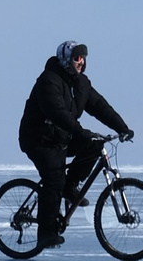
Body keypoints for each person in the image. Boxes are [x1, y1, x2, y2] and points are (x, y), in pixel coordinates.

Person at [18, 41, 132, 247]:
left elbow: (99, 106)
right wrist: (80, 132)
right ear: (66, 60)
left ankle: (70, 187)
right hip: (38, 139)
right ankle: (46, 233)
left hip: (61, 137)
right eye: (77, 58)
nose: (81, 63)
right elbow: (58, 113)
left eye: (84, 59)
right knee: (54, 179)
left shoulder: (81, 84)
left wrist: (121, 127)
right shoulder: (48, 81)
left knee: (95, 146)